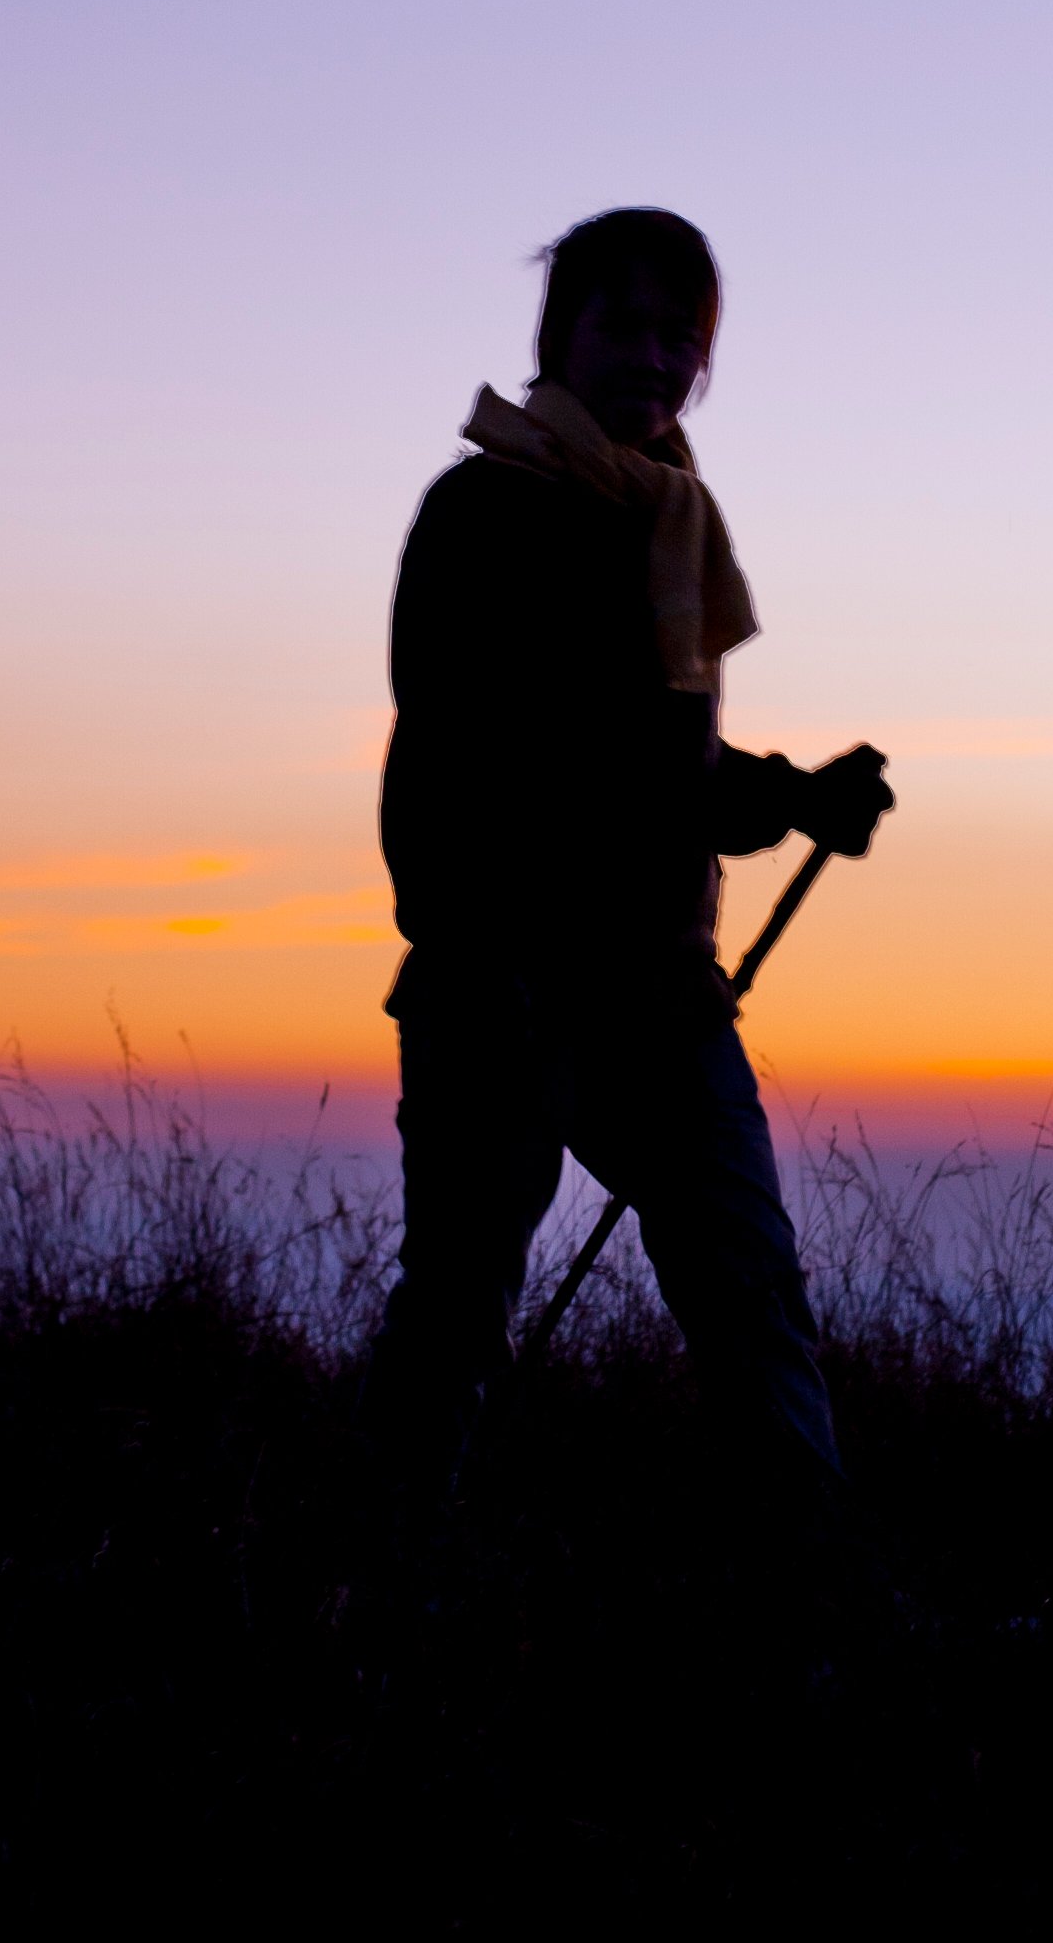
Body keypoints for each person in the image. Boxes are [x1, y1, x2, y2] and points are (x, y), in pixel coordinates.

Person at [369, 206, 893, 1514]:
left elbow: (658, 771)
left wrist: (793, 798)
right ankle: (372, 1590)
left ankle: (819, 1610)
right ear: (563, 336)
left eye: (682, 334)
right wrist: (772, 799)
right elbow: (492, 751)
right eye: (626, 324)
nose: (655, 356)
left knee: (748, 1293)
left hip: (657, 990)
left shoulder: (672, 520)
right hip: (502, 984)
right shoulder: (487, 505)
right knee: (459, 1313)